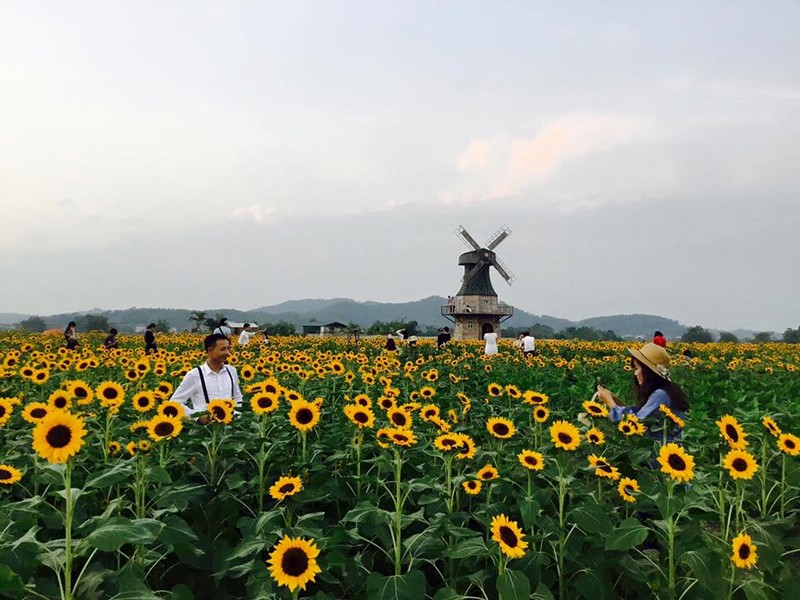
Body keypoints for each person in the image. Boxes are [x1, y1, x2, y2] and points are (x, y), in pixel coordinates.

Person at [596, 342, 688, 442]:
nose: (635, 373)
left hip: (660, 452)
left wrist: (610, 402)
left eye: (636, 368)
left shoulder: (661, 395)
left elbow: (637, 423)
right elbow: (641, 413)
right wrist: (614, 400)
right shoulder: (665, 391)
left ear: (647, 370)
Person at [170, 333, 243, 420]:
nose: (227, 353)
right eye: (223, 349)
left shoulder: (231, 371)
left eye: (228, 349)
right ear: (210, 350)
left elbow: (237, 397)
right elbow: (175, 402)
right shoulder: (195, 375)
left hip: (230, 426)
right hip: (205, 429)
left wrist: (236, 414)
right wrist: (197, 417)